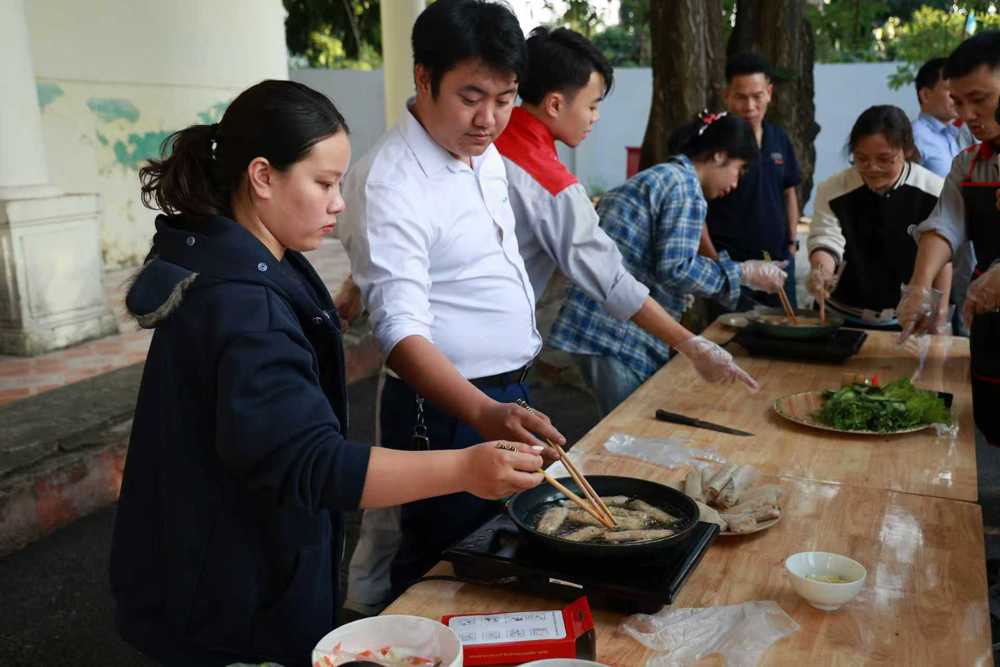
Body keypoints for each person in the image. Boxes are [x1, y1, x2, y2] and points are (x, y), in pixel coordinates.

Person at [108, 80, 544, 667]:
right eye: (324, 183)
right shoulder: (246, 307)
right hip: (231, 598)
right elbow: (313, 465)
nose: (339, 203)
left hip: (222, 563)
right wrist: (466, 467)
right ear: (262, 177)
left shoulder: (235, 259)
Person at [338, 0, 565, 612]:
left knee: (509, 554)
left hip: (503, 397)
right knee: (443, 566)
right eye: (471, 96)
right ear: (423, 77)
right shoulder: (391, 180)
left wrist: (502, 407)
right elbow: (400, 333)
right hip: (443, 409)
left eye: (506, 97)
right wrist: (485, 413)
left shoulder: (481, 152)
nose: (489, 118)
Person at [494, 27, 758, 396]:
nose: (595, 117)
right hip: (500, 351)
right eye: (592, 105)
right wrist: (692, 343)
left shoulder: (484, 146)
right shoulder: (553, 184)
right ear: (555, 104)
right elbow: (615, 281)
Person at [548, 112, 788, 415]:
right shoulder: (684, 187)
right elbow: (677, 268)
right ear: (719, 155)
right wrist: (743, 272)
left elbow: (665, 265)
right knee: (631, 425)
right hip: (614, 333)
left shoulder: (668, 176)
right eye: (739, 170)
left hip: (606, 326)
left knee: (627, 422)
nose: (736, 183)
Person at [897, 31, 1000, 443]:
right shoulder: (969, 162)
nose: (968, 115)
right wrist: (921, 291)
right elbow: (945, 224)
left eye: (980, 99)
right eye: (959, 102)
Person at [806, 105, 947, 329]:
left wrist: (938, 316)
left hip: (904, 319)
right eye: (861, 159)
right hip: (838, 316)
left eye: (884, 159)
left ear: (907, 149)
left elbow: (943, 258)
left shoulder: (934, 191)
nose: (872, 168)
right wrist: (821, 273)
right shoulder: (833, 189)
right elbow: (826, 238)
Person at [701, 52, 802, 312]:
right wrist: (714, 263)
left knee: (784, 337)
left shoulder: (779, 138)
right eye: (741, 97)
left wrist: (791, 243)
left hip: (778, 264)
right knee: (728, 344)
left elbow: (789, 192)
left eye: (757, 96)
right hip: (731, 269)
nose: (750, 107)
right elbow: (695, 206)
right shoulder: (712, 142)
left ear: (769, 92)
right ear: (727, 95)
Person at [912, 57, 977, 334]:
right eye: (952, 94)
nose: (957, 101)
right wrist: (921, 284)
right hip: (946, 256)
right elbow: (940, 213)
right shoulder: (915, 139)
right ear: (924, 95)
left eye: (976, 99)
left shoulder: (962, 136)